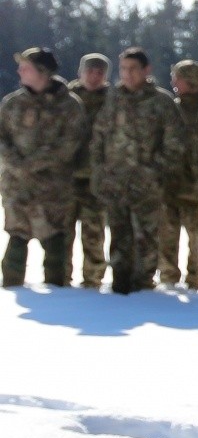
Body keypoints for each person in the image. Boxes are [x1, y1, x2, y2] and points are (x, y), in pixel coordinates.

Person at [89, 47, 181, 295]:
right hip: (115, 183)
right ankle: (120, 284)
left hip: (146, 186)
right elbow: (98, 138)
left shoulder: (161, 102)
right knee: (118, 236)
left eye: (133, 69)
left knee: (147, 238)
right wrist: (99, 171)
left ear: (146, 70)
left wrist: (154, 172)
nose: (127, 74)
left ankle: (143, 286)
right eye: (123, 69)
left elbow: (173, 145)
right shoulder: (113, 99)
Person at [0, 48, 86, 287]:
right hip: (17, 187)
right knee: (16, 238)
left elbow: (69, 144)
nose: (19, 71)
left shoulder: (69, 106)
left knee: (55, 241)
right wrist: (16, 163)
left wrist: (33, 164)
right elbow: (2, 138)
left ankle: (57, 294)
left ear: (42, 73)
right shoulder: (13, 103)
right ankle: (11, 287)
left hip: (53, 190)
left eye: (25, 67)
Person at [163, 59, 198, 288]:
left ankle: (195, 279)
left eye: (178, 78)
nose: (174, 82)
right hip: (171, 185)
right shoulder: (171, 108)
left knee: (197, 239)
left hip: (197, 188)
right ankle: (168, 279)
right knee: (167, 236)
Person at [67, 53, 110, 287]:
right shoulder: (66, 98)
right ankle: (59, 280)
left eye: (100, 72)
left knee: (94, 232)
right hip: (68, 178)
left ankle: (93, 279)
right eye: (90, 71)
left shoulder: (112, 101)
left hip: (97, 178)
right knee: (63, 232)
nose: (94, 77)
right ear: (80, 72)